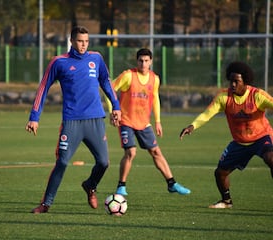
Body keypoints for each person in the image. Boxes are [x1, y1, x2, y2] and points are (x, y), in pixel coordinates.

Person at [26, 26, 121, 214]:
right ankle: (46, 204)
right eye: (80, 41)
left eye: (86, 41)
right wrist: (34, 117)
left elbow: (106, 82)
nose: (83, 45)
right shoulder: (59, 62)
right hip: (72, 122)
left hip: (95, 120)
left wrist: (116, 106)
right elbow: (43, 88)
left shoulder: (96, 58)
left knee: (103, 162)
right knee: (62, 162)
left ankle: (90, 186)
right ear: (72, 40)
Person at [180, 61, 273, 209]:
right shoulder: (224, 97)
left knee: (271, 158)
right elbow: (207, 114)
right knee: (220, 173)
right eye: (231, 81)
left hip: (261, 138)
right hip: (239, 142)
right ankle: (226, 201)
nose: (233, 85)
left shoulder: (257, 95)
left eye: (237, 81)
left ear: (245, 81)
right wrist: (192, 126)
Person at [108, 48, 191, 196]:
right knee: (131, 152)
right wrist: (113, 111)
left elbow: (155, 99)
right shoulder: (128, 76)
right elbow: (109, 90)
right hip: (126, 121)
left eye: (146, 61)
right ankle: (121, 186)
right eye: (141, 60)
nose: (143, 64)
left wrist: (158, 121)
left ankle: (172, 183)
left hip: (144, 122)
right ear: (137, 61)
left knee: (155, 151)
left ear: (151, 62)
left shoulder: (155, 79)